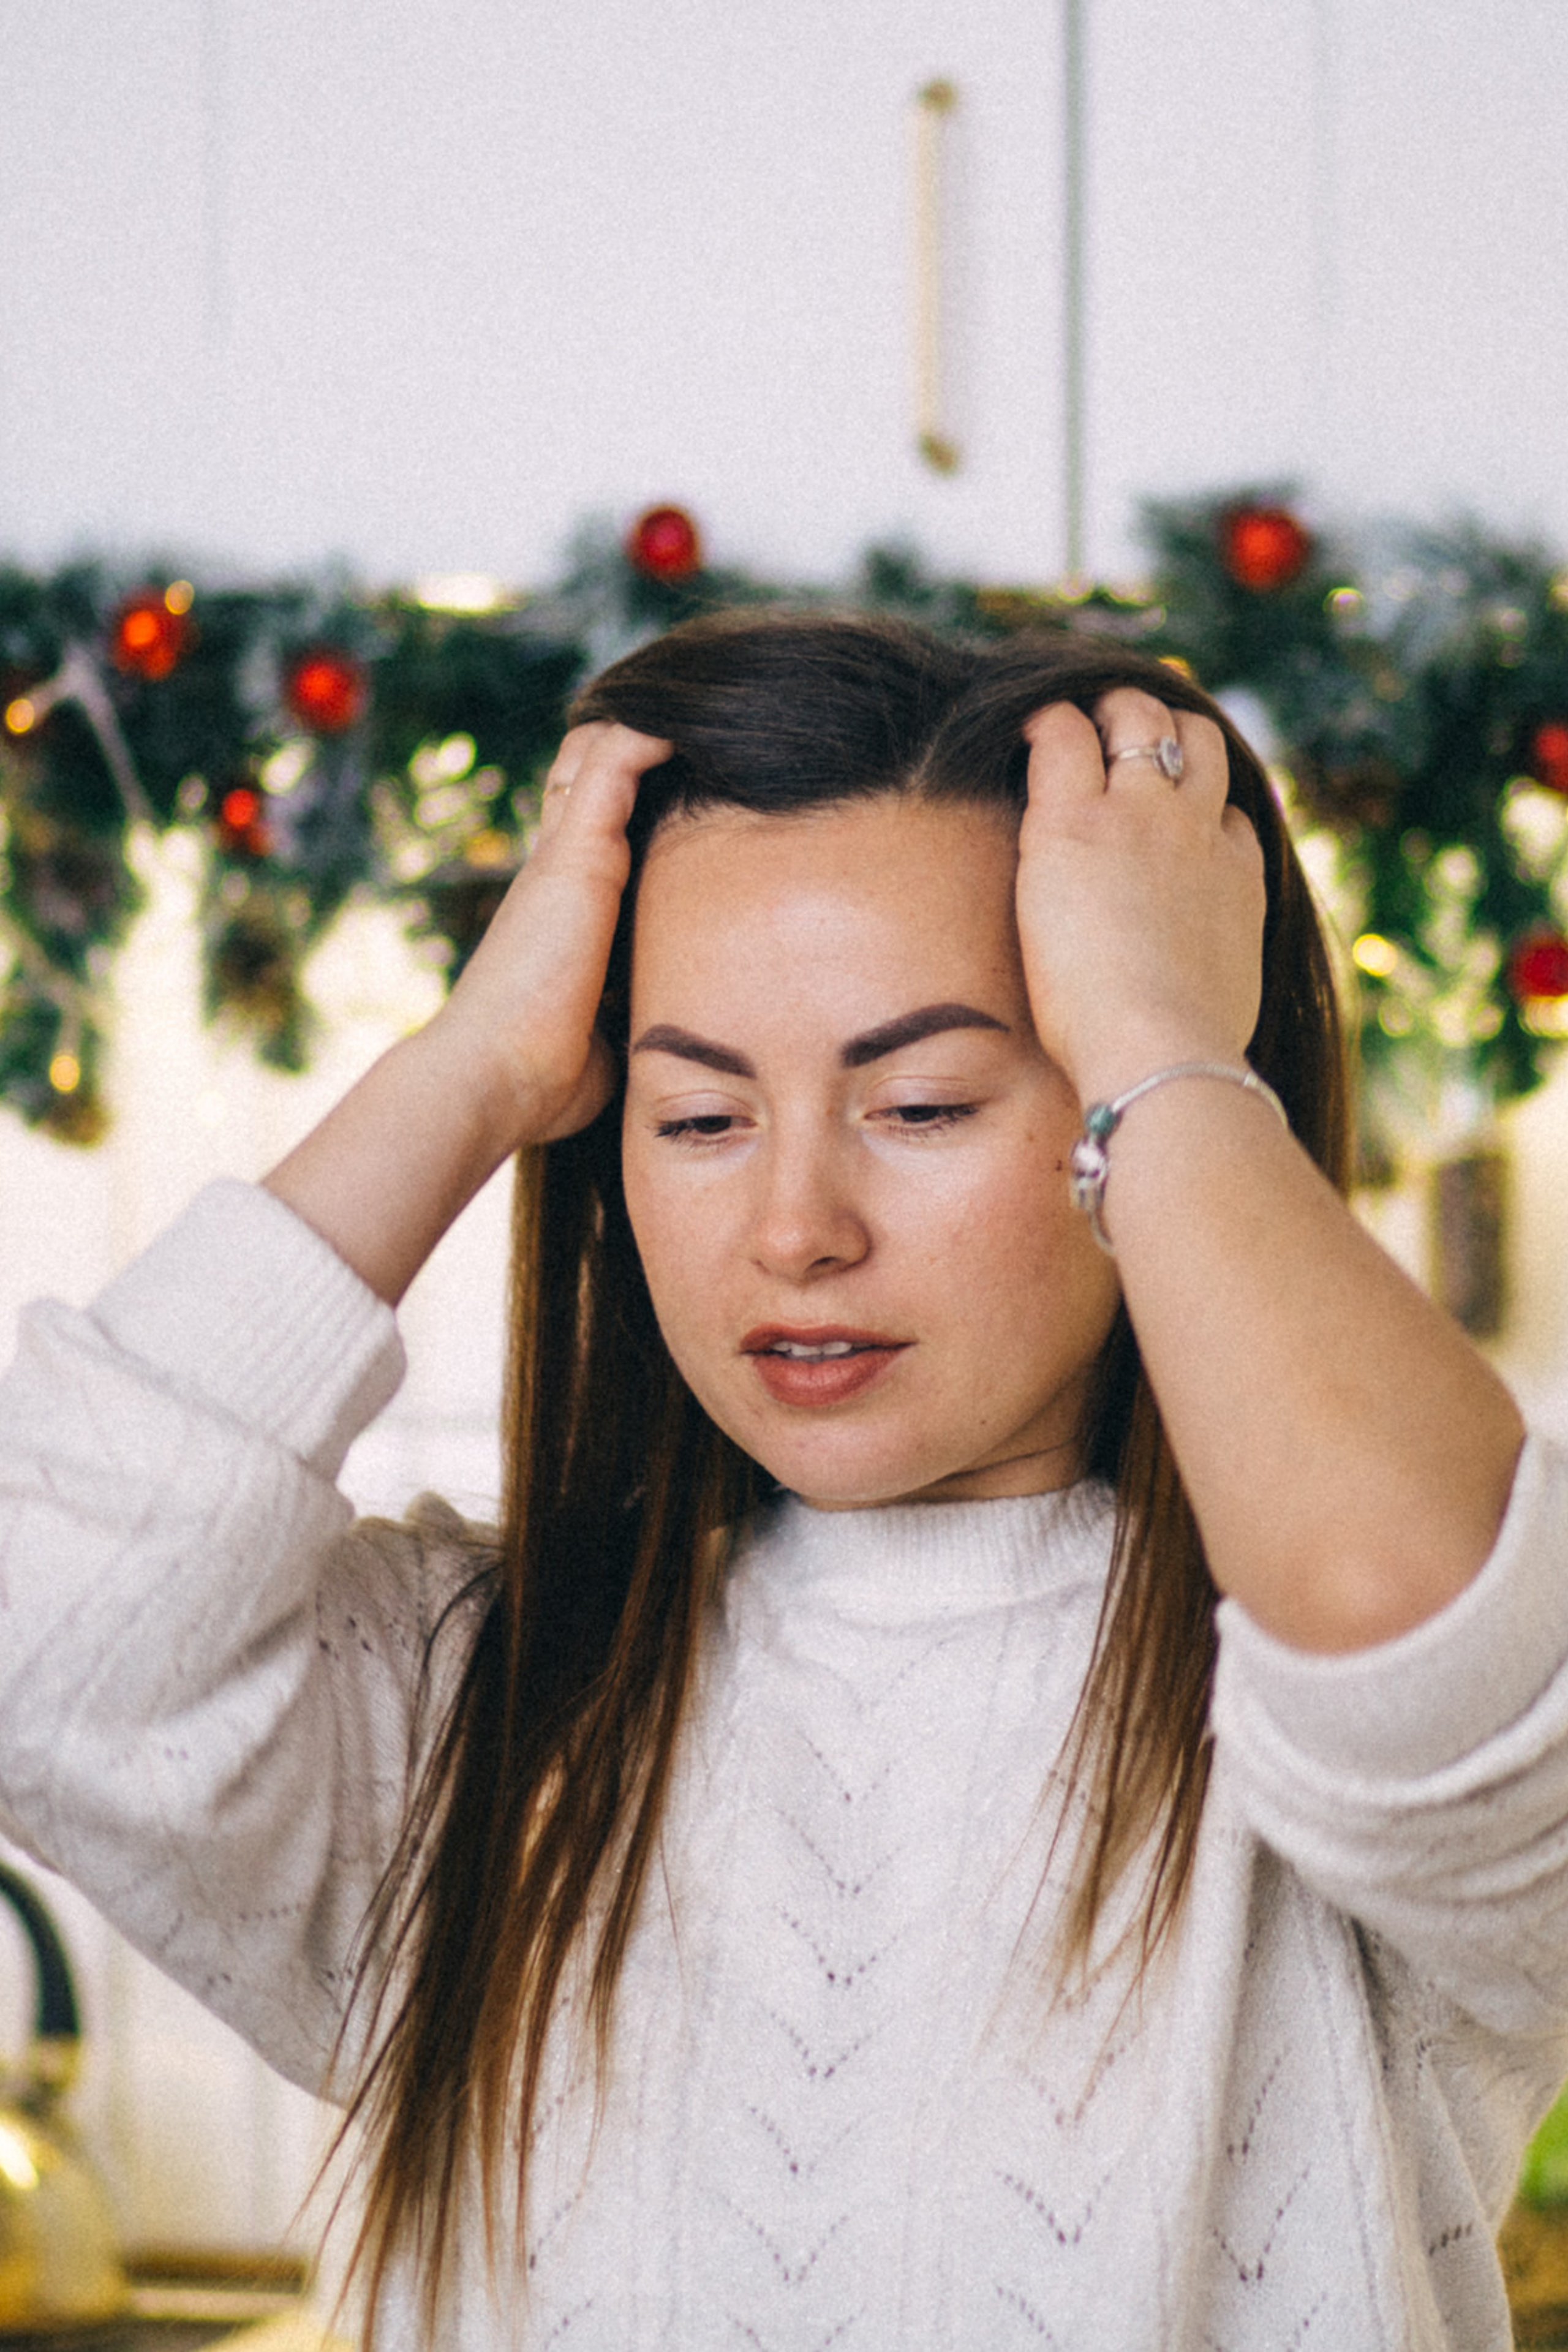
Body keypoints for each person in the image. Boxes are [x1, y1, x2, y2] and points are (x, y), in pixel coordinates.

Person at [0, 609, 1561, 2351]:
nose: (796, 1231)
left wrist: (1164, 1045)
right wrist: (472, 1067)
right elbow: (41, 1641)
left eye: (926, 1103)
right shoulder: (478, 1710)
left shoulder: (1313, 1752)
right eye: (697, 1118)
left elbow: (1419, 1614)